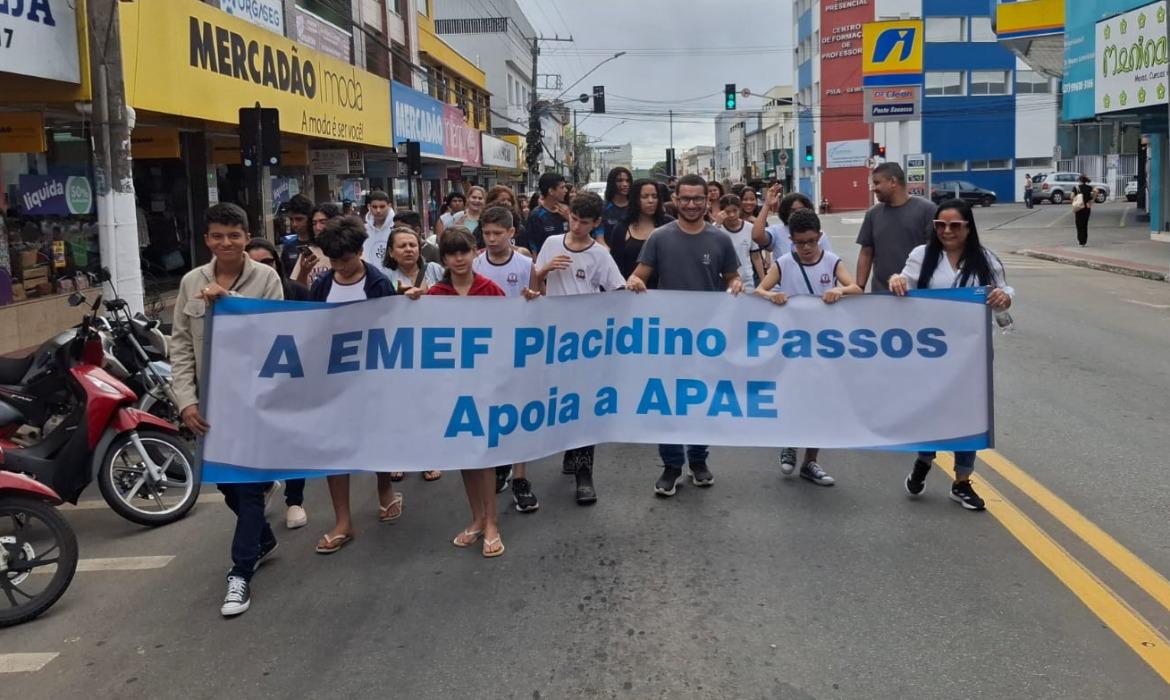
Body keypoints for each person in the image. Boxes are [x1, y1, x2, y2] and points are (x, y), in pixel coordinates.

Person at [171, 203, 284, 617]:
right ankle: (263, 539)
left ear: (247, 237)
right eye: (218, 236)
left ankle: (240, 572)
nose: (227, 243)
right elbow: (181, 344)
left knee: (250, 488)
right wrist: (185, 400)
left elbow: (275, 330)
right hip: (212, 405)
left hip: (254, 404)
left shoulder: (267, 278)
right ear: (207, 240)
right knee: (227, 487)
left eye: (234, 235)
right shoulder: (189, 282)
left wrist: (230, 299)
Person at [888, 199, 1014, 512]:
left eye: (955, 226)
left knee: (969, 417)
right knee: (932, 412)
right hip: (932, 354)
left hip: (972, 355)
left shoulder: (985, 260)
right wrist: (897, 281)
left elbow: (1003, 294)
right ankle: (924, 460)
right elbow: (905, 283)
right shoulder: (921, 256)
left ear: (968, 228)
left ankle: (961, 482)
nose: (947, 231)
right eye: (940, 225)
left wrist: (1003, 298)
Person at [625, 174, 743, 497]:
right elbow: (638, 277)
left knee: (701, 399)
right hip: (669, 337)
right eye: (685, 198)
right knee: (669, 401)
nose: (691, 204)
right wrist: (634, 283)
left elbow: (732, 278)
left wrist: (735, 286)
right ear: (675, 200)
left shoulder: (720, 240)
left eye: (698, 199)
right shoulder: (659, 238)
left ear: (708, 201)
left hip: (708, 338)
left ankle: (699, 459)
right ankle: (672, 465)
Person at [308, 216, 401, 554]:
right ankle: (343, 520)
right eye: (333, 261)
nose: (340, 267)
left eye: (345, 260)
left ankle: (385, 488)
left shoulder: (376, 284)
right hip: (334, 380)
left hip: (372, 379)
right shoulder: (322, 286)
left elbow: (392, 328)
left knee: (377, 441)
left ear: (360, 252)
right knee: (335, 448)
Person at [754, 209, 862, 486]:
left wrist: (840, 290)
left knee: (820, 402)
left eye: (811, 242)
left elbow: (856, 288)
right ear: (791, 240)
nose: (806, 248)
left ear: (820, 237)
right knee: (793, 396)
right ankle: (789, 441)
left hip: (824, 345)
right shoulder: (784, 263)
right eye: (800, 243)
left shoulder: (831, 261)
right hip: (792, 344)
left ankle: (810, 461)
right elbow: (760, 291)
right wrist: (773, 295)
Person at [531, 192, 627, 504]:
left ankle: (585, 473)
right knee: (559, 400)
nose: (576, 226)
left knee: (584, 403)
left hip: (586, 341)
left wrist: (632, 288)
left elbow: (618, 290)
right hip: (554, 338)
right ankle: (569, 448)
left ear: (596, 223)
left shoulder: (599, 255)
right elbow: (533, 286)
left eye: (584, 222)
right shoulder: (551, 244)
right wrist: (544, 272)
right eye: (573, 218)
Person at [425, 226, 508, 558]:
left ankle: (492, 523)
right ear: (443, 258)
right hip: (450, 387)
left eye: (464, 251)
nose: (459, 258)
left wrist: (531, 303)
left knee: (483, 455)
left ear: (474, 252)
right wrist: (410, 302)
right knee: (463, 455)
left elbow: (511, 330)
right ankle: (476, 518)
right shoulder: (434, 295)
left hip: (485, 385)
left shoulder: (491, 290)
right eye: (451, 253)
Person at [471, 206, 541, 510]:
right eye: (486, 233)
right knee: (492, 412)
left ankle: (520, 477)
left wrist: (533, 300)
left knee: (519, 414)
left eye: (497, 233)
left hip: (519, 350)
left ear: (511, 233)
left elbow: (540, 304)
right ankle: (499, 465)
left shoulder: (527, 265)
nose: (491, 239)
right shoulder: (474, 264)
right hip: (486, 351)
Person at [245, 237, 310, 528]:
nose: (261, 268)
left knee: (294, 442)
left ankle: (294, 501)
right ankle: (266, 482)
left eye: (267, 262)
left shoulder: (296, 292)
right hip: (251, 381)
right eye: (254, 262)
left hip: (292, 378)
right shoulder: (232, 300)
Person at [855, 163, 935, 292]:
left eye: (877, 183)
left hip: (917, 294)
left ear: (893, 181)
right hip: (882, 294)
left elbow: (935, 252)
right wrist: (859, 287)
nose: (873, 188)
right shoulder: (873, 214)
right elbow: (866, 253)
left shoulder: (927, 210)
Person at [606, 178, 671, 280]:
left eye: (654, 196)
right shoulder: (621, 228)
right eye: (644, 197)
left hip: (665, 291)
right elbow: (615, 267)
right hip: (632, 291)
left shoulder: (669, 224)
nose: (651, 201)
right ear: (635, 199)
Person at [290, 203, 341, 288]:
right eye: (314, 223)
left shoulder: (346, 249)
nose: (318, 227)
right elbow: (298, 290)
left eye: (323, 222)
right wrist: (304, 271)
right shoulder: (309, 252)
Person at [716, 194, 758, 292]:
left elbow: (756, 256)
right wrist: (717, 225)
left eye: (735, 210)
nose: (731, 215)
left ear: (740, 209)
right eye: (727, 212)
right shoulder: (716, 229)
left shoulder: (749, 228)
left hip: (747, 280)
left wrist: (763, 281)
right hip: (724, 280)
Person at [524, 172, 570, 253]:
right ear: (551, 191)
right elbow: (532, 245)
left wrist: (570, 219)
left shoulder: (566, 211)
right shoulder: (537, 215)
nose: (566, 191)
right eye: (562, 188)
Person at [278, 194, 314, 274]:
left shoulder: (322, 243)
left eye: (299, 219)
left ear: (310, 218)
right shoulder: (288, 246)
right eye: (291, 219)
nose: (294, 224)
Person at [599, 167, 633, 241]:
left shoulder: (636, 207)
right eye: (619, 180)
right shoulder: (603, 208)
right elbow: (599, 237)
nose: (625, 184)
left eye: (627, 181)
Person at [362, 190, 395, 269]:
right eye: (374, 207)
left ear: (389, 206)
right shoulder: (362, 230)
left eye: (382, 207)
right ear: (369, 207)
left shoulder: (397, 228)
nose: (378, 210)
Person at [1074, 174, 1095, 246]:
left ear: (1080, 180)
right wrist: (1092, 200)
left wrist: (1075, 200)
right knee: (1085, 224)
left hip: (1079, 208)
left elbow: (1071, 196)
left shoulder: (1076, 188)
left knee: (1079, 225)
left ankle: (1081, 241)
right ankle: (1084, 241)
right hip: (1087, 208)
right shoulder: (1089, 187)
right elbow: (1096, 191)